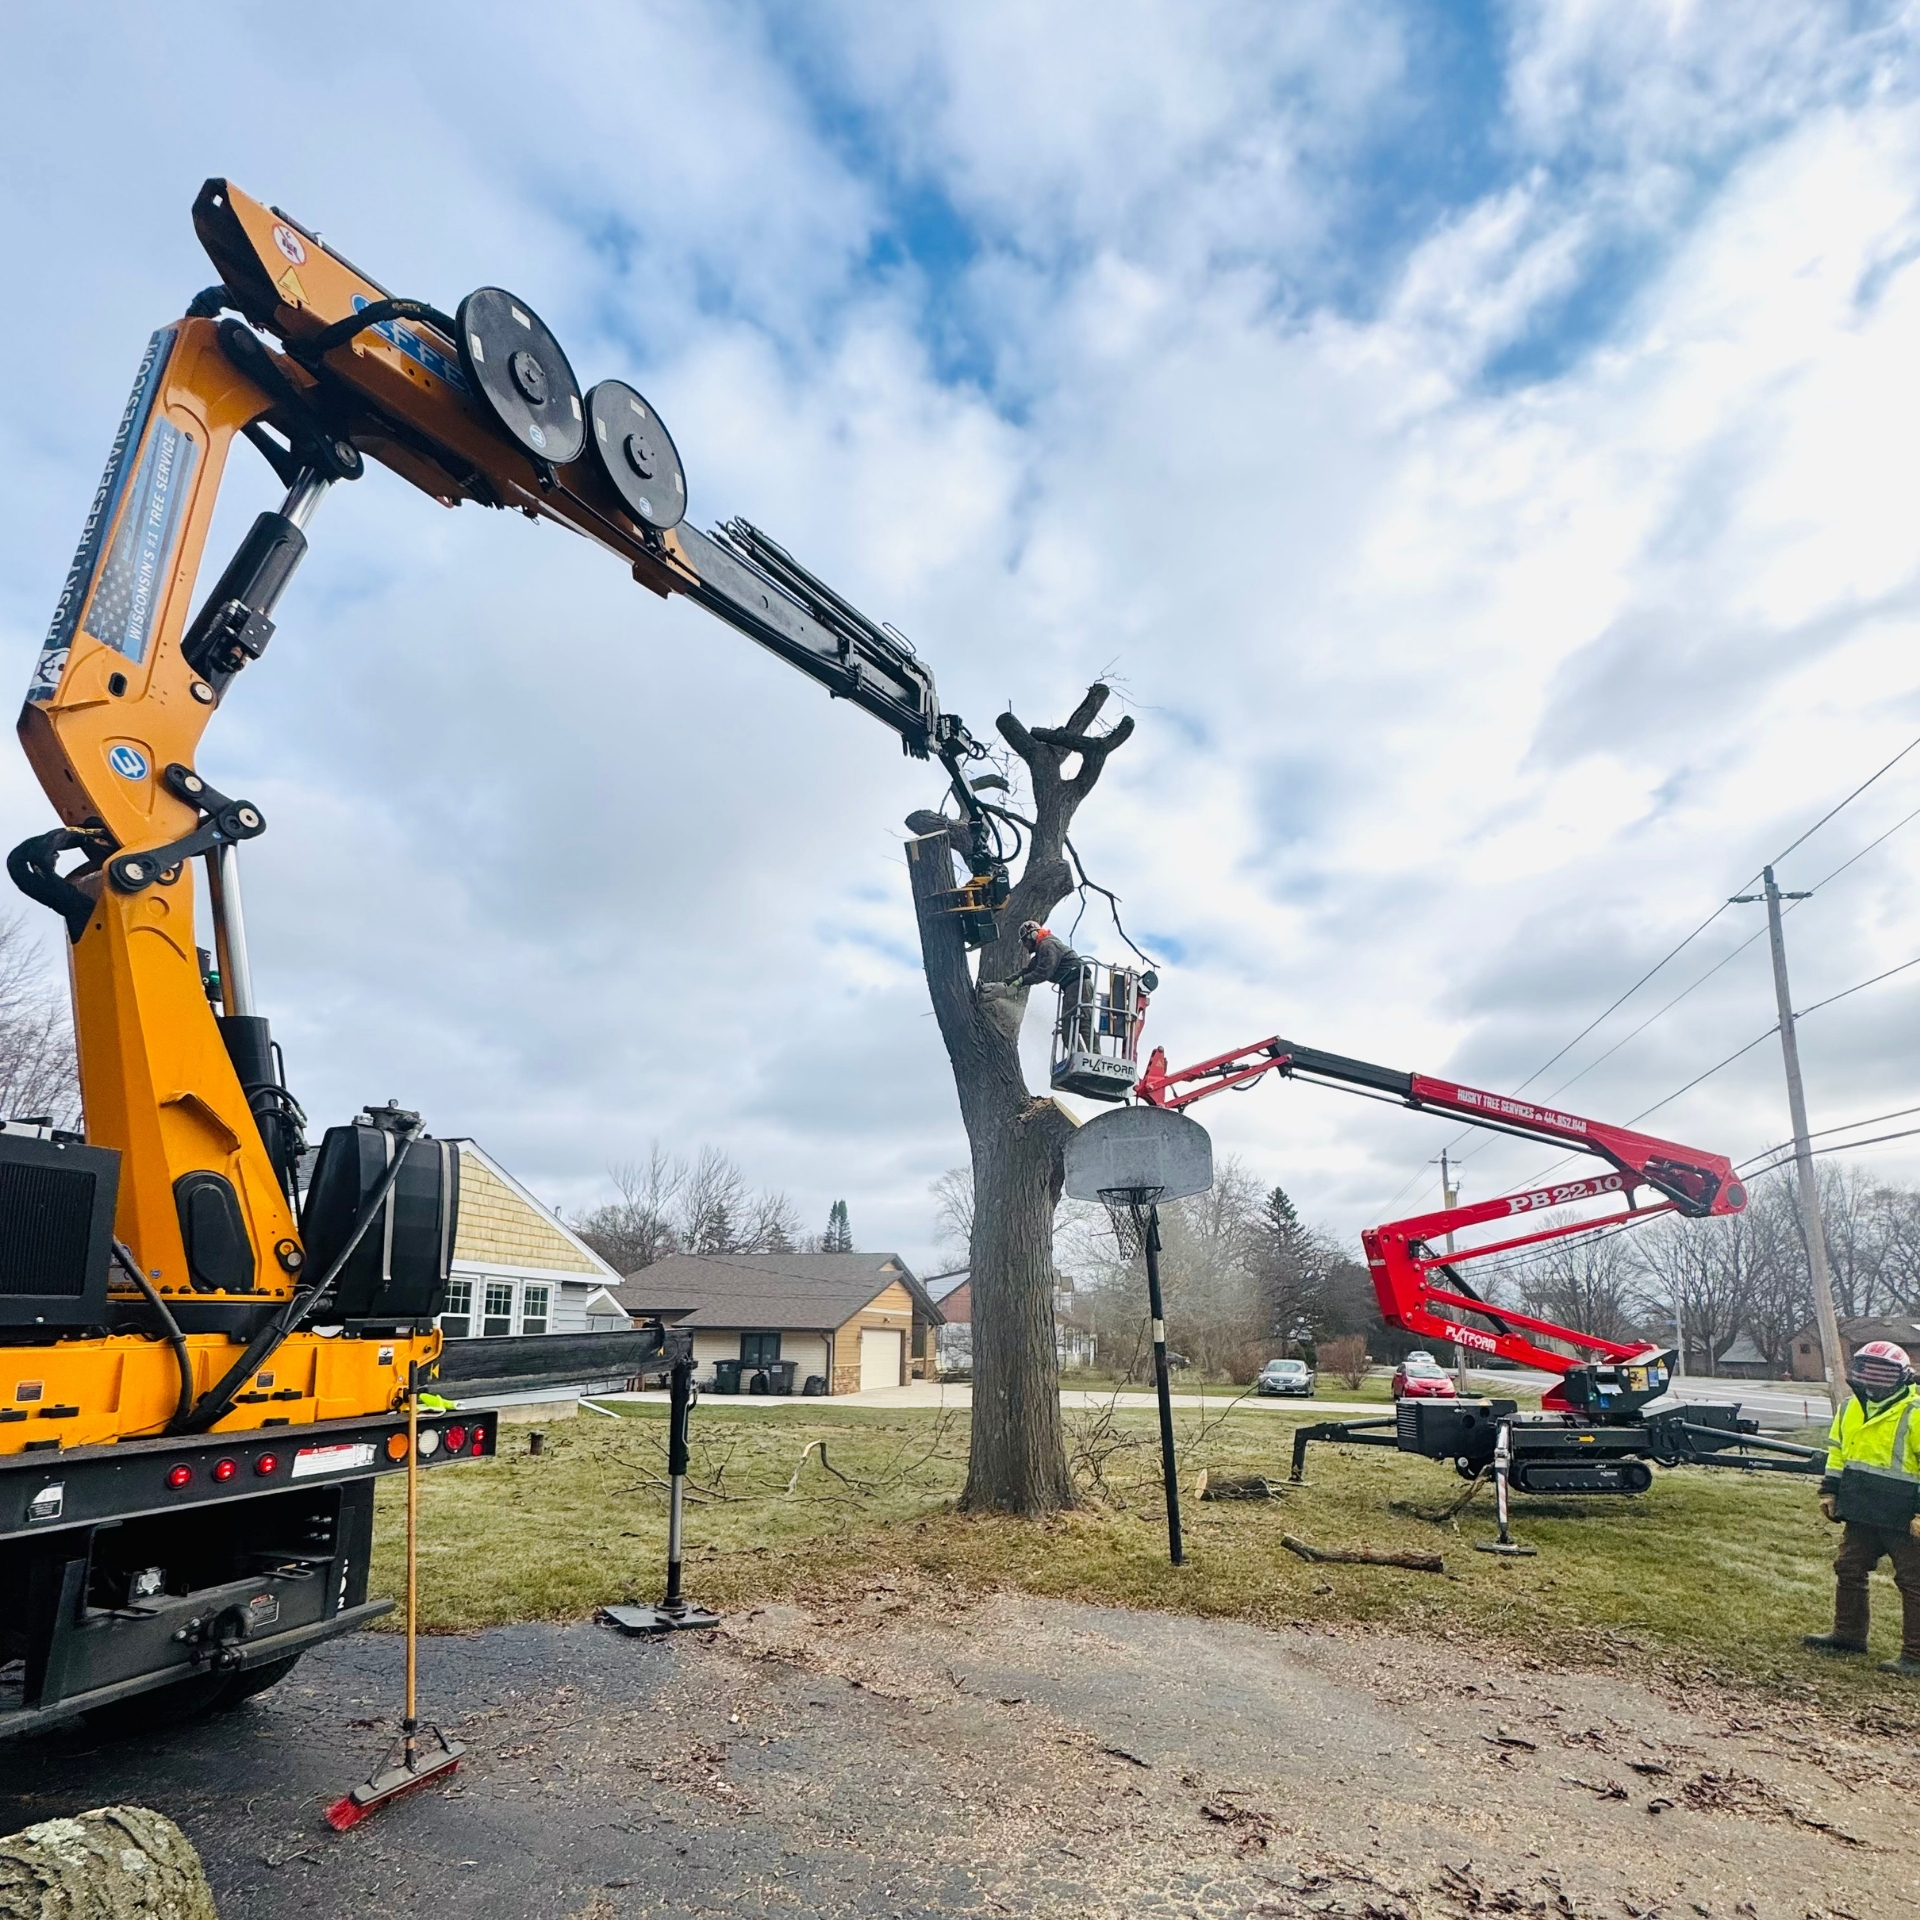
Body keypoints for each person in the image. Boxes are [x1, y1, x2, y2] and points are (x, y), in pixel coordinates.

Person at [1804, 1339, 1920, 1675]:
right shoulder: (1849, 1408)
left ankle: (1915, 1655)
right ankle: (1848, 1635)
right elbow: (1838, 1453)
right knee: (1849, 1569)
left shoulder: (1915, 1412)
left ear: (1901, 1377)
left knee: (1913, 1583)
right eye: (1868, 1370)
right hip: (1861, 1508)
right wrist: (1830, 1492)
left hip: (1904, 1514)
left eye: (1884, 1373)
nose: (1874, 1379)